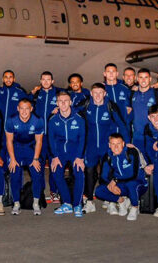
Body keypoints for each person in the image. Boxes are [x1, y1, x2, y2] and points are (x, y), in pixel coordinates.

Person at [81, 83, 127, 213]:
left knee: (105, 174)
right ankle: (89, 201)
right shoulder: (86, 104)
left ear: (105, 93)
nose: (97, 95)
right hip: (91, 147)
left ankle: (110, 200)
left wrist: (126, 143)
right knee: (89, 172)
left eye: (100, 93)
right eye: (95, 93)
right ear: (91, 93)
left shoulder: (110, 105)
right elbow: (71, 110)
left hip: (106, 147)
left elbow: (122, 125)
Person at [48, 92, 86, 217]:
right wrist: (54, 156)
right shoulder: (53, 120)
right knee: (56, 172)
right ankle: (67, 204)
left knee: (79, 173)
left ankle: (77, 205)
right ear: (57, 103)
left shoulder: (79, 118)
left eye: (66, 101)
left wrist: (80, 157)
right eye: (60, 101)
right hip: (60, 152)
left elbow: (82, 139)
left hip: (75, 152)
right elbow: (51, 139)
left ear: (70, 102)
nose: (63, 103)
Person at [5, 98, 45, 215]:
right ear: (18, 109)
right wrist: (12, 159)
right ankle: (16, 203)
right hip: (16, 148)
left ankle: (36, 203)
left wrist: (36, 159)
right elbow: (9, 141)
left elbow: (39, 141)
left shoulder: (38, 120)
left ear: (31, 109)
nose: (24, 111)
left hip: (31, 148)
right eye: (21, 108)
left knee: (37, 174)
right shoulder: (11, 120)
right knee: (15, 174)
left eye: (27, 109)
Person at [94, 133, 147, 221]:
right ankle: (121, 201)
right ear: (109, 145)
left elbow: (132, 175)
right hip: (121, 186)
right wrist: (111, 186)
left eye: (118, 144)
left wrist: (115, 180)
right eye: (113, 144)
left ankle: (135, 207)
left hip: (139, 184)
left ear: (123, 144)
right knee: (99, 191)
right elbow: (103, 176)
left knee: (131, 184)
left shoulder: (131, 152)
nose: (116, 147)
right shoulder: (107, 156)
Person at [31, 71, 60, 200]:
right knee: (39, 165)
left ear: (52, 81)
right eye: (43, 79)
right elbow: (24, 104)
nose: (46, 82)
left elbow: (72, 103)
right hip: (39, 137)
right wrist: (31, 92)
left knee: (54, 164)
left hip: (54, 137)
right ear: (40, 81)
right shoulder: (37, 94)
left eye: (49, 79)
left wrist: (60, 108)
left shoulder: (59, 94)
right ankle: (40, 190)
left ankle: (54, 190)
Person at [130, 68, 158, 150]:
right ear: (137, 79)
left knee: (155, 162)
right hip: (137, 137)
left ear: (150, 79)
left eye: (146, 77)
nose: (143, 80)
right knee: (140, 161)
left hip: (154, 136)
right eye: (141, 77)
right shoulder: (132, 94)